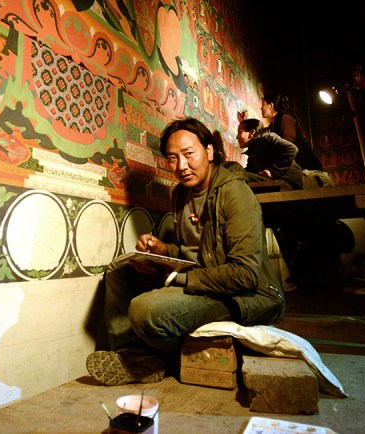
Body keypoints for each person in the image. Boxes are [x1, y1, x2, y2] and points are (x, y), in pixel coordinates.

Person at [85, 117, 285, 386]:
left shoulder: (234, 193)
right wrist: (163, 249)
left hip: (245, 294)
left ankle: (156, 359)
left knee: (144, 311)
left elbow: (245, 275)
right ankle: (132, 354)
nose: (181, 166)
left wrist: (175, 278)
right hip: (202, 279)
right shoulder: (181, 193)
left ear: (209, 151)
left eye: (189, 154)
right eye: (172, 158)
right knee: (118, 271)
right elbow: (194, 251)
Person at [260, 93, 324, 171]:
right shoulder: (274, 123)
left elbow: (288, 143)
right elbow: (261, 133)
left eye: (263, 104)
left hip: (306, 167)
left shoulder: (286, 118)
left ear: (271, 106)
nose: (261, 108)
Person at [237, 118, 304, 190]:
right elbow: (250, 171)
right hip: (275, 180)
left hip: (288, 180)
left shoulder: (267, 138)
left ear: (252, 133)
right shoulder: (253, 153)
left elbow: (292, 149)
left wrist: (272, 172)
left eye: (239, 132)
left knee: (239, 176)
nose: (237, 137)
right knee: (238, 175)